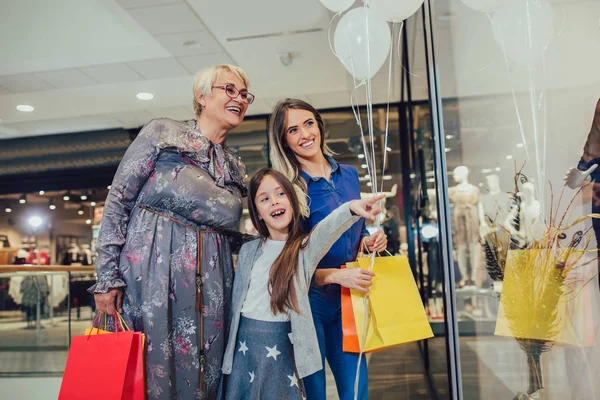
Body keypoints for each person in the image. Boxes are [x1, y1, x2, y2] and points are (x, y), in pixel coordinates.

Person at [88, 64, 254, 400]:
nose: (239, 98)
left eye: (244, 94)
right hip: (148, 278)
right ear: (202, 95)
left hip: (213, 287)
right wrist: (106, 277)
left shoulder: (235, 166)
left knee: (207, 371)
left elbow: (231, 232)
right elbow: (118, 201)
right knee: (146, 372)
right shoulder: (162, 132)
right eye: (229, 89)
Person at [222, 169, 385, 400]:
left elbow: (326, 230)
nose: (274, 202)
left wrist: (350, 209)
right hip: (245, 349)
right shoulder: (249, 250)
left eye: (280, 194)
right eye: (264, 198)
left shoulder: (303, 249)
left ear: (292, 200)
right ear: (257, 213)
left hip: (282, 349)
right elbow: (236, 303)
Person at [268, 98, 388, 400]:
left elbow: (353, 232)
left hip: (349, 301)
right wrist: (333, 276)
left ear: (319, 126)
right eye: (292, 130)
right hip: (309, 305)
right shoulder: (289, 186)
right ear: (284, 141)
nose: (305, 134)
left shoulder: (347, 174)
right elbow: (288, 259)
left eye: (309, 123)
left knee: (356, 391)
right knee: (314, 394)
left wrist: (368, 241)